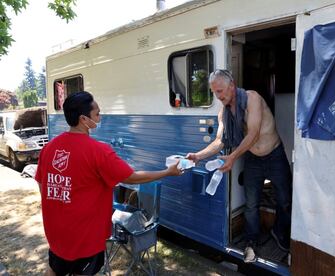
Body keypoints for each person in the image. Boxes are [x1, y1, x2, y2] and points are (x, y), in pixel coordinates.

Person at [35, 91, 182, 276]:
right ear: (83, 119)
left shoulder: (49, 148)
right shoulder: (98, 151)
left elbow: (42, 184)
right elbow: (132, 177)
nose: (100, 117)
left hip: (56, 233)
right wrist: (168, 172)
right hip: (85, 237)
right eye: (97, 114)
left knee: (55, 268)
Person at [186, 69, 292, 263]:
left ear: (232, 86)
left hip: (275, 155)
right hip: (253, 159)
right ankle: (252, 240)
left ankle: (279, 232)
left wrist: (233, 157)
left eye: (221, 91)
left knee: (285, 200)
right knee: (251, 203)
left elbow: (253, 133)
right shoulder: (223, 113)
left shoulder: (253, 99)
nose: (219, 96)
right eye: (215, 92)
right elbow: (220, 141)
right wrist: (198, 156)